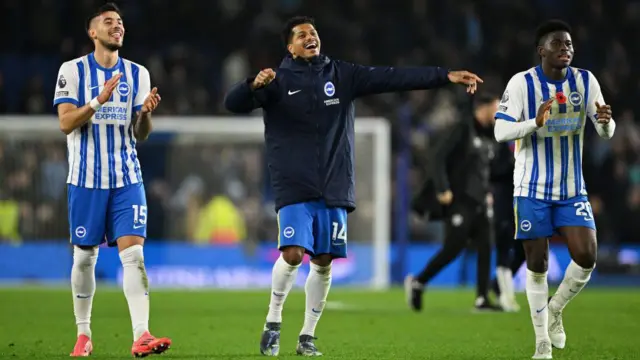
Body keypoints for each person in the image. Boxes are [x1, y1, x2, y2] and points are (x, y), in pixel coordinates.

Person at [224, 16, 483, 357]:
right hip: (294, 185)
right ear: (290, 46)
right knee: (293, 253)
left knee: (324, 261)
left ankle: (307, 337)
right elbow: (233, 104)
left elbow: (393, 78)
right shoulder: (276, 80)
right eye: (302, 35)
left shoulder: (342, 75)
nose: (310, 37)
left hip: (334, 185)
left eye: (313, 32)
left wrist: (444, 76)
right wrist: (251, 85)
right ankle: (273, 322)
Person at [53, 3, 171, 357]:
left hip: (126, 178)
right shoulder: (72, 70)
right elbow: (65, 123)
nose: (116, 26)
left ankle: (141, 335)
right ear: (92, 32)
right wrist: (97, 101)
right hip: (86, 179)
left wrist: (146, 115)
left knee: (134, 256)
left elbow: (141, 134)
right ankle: (84, 334)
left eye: (119, 22)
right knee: (84, 258)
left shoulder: (138, 74)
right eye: (108, 22)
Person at [494, 20, 615, 359]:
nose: (566, 49)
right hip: (530, 188)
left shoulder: (586, 80)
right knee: (537, 264)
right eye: (558, 44)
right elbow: (500, 133)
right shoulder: (522, 83)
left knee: (587, 256)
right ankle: (541, 344)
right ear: (541, 50)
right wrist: (535, 123)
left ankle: (556, 310)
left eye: (570, 45)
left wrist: (606, 123)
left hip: (571, 189)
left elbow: (605, 130)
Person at [406, 93, 501, 312]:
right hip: (459, 199)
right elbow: (438, 157)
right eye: (496, 106)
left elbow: (486, 168)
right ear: (483, 107)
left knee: (486, 245)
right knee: (454, 247)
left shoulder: (491, 134)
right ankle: (419, 282)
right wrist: (442, 188)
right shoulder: (462, 129)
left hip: (481, 199)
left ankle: (482, 298)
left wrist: (489, 190)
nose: (499, 111)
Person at [489, 135, 523, 312]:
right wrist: (512, 165)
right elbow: (492, 171)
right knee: (503, 246)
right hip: (503, 202)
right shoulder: (500, 141)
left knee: (523, 249)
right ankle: (505, 295)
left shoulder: (527, 136)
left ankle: (497, 285)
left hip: (522, 202)